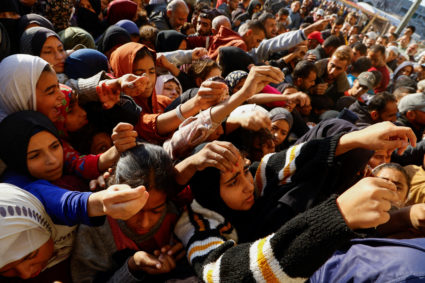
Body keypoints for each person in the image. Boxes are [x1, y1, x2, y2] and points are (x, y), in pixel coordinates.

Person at [173, 121, 416, 282]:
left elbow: (286, 160)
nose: (248, 185)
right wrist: (336, 216)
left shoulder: (251, 178)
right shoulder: (196, 224)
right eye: (233, 182)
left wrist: (357, 139)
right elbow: (222, 274)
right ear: (211, 193)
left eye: (246, 171)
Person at [71, 143, 190, 282]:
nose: (144, 223)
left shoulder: (177, 212)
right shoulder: (97, 228)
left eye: (156, 211)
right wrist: (132, 266)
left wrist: (187, 249)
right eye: (135, 210)